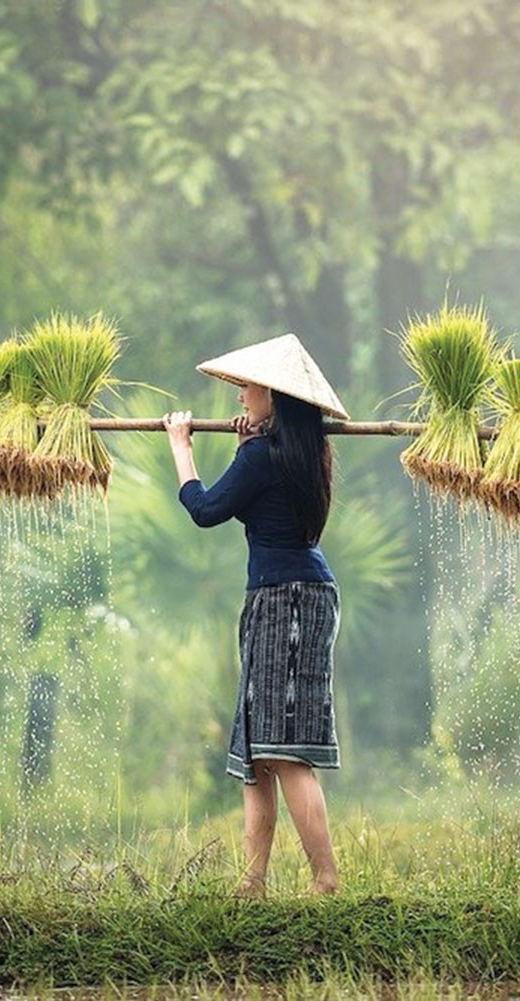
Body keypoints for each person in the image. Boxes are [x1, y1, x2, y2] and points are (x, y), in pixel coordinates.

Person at [162, 333, 351, 898]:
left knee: (283, 750)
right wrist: (250, 444)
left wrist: (181, 446)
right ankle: (253, 882)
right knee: (257, 750)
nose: (240, 397)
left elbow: (205, 509)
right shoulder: (299, 452)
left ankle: (326, 879)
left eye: (248, 388)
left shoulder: (263, 457)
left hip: (286, 600)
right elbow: (257, 482)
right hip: (292, 594)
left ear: (271, 393)